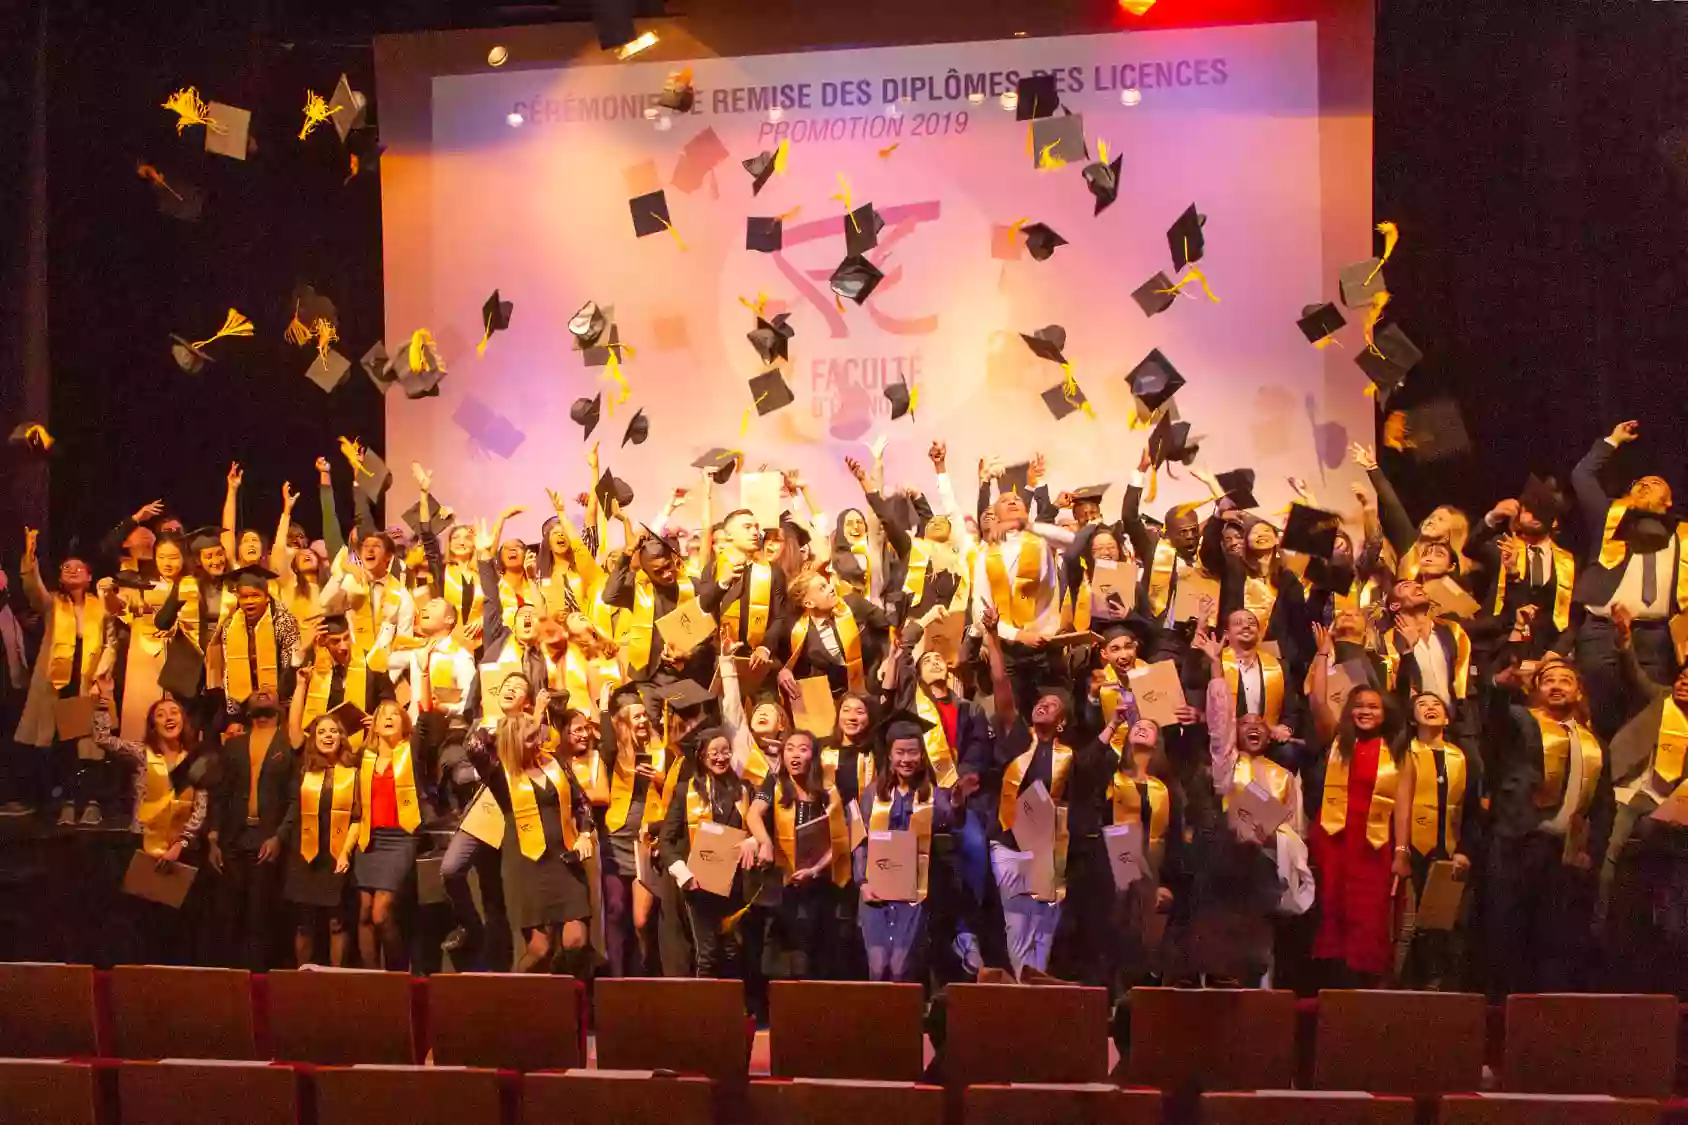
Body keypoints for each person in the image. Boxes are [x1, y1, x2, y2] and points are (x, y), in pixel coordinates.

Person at [1482, 656, 1613, 995]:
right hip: (1518, 843)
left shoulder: (1594, 742)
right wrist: (1500, 690)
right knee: (1506, 938)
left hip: (1564, 855)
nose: (1556, 685)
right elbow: (1495, 725)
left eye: (1565, 680)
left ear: (1579, 691)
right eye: (1548, 680)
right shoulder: (1521, 721)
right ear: (1537, 689)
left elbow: (1603, 807)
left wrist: (1590, 850)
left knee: (1554, 945)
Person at [463, 675, 596, 974]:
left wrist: (585, 833)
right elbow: (473, 745)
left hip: (564, 861)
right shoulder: (500, 775)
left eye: (537, 734)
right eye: (529, 735)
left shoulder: (555, 764)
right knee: (539, 948)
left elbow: (582, 802)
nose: (537, 740)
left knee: (575, 942)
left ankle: (570, 1009)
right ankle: (515, 1002)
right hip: (526, 865)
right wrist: (513, 717)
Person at [980, 607, 1081, 977]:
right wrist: (992, 635)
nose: (1043, 704)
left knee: (1045, 927)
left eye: (1052, 705)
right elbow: (1002, 687)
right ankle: (1026, 996)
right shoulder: (1017, 738)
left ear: (1063, 721)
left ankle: (1036, 991)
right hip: (1008, 845)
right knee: (1018, 924)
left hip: (1048, 848)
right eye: (1040, 702)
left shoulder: (1069, 757)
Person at [1571, 420, 1685, 734]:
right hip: (1601, 633)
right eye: (1640, 482)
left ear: (1669, 501)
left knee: (1648, 720)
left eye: (1655, 483)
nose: (1646, 484)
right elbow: (1582, 477)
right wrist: (1613, 440)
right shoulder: (1609, 516)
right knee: (1599, 714)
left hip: (1655, 638)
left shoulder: (1684, 537)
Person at [1308, 632, 1404, 988]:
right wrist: (1321, 656)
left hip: (1374, 844)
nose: (1365, 711)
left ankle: (1368, 992)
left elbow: (1404, 805)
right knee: (1334, 908)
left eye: (1373, 707)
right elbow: (1319, 702)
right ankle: (1334, 990)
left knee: (1369, 914)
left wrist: (1401, 849)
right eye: (1358, 706)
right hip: (1334, 839)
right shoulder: (1337, 742)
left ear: (1384, 713)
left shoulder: (1395, 751)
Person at [90, 686, 212, 963]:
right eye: (160, 714)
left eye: (174, 712)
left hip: (183, 851)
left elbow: (201, 807)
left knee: (181, 927)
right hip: (144, 845)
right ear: (153, 725)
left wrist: (181, 845)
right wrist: (103, 701)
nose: (168, 718)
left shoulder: (198, 760)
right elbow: (102, 738)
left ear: (184, 721)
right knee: (145, 924)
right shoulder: (141, 754)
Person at [13, 529, 118, 825]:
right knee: (62, 744)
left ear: (89, 576)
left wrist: (101, 674)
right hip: (58, 682)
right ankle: (68, 803)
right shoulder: (53, 605)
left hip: (90, 681)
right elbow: (34, 590)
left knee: (92, 743)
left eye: (78, 568)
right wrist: (29, 559)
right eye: (65, 568)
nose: (71, 571)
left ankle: (92, 803)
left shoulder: (100, 606)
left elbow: (112, 643)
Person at [1391, 692, 1483, 989]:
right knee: (1409, 923)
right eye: (1422, 704)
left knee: (1443, 923)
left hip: (1448, 848)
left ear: (1447, 717)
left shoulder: (1461, 757)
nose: (1430, 709)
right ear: (1411, 717)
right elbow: (1396, 806)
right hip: (1413, 847)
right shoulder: (1404, 753)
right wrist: (1400, 850)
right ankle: (1401, 986)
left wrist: (1465, 850)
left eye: (1436, 705)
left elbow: (1471, 810)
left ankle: (1437, 986)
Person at [856, 714, 955, 982]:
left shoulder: (932, 795)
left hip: (913, 892)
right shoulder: (872, 794)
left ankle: (902, 1023)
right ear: (889, 755)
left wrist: (955, 799)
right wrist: (862, 882)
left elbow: (948, 820)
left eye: (913, 752)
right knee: (878, 968)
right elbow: (860, 841)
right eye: (900, 752)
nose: (906, 759)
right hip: (876, 890)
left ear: (922, 756)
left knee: (900, 968)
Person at [746, 729, 849, 979]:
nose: (795, 754)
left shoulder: (828, 789)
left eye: (802, 749)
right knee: (781, 955)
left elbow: (839, 840)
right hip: (783, 882)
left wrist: (815, 871)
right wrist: (765, 842)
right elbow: (753, 814)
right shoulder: (776, 783)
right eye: (789, 748)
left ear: (813, 756)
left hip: (819, 882)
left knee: (815, 954)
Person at [660, 725, 760, 978]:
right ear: (701, 757)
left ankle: (736, 1010)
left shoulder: (744, 790)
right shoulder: (686, 791)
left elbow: (761, 830)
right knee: (707, 953)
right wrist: (684, 874)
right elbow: (666, 841)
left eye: (726, 751)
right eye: (713, 752)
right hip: (699, 885)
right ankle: (706, 1013)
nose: (721, 757)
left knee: (733, 950)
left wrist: (753, 841)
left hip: (736, 883)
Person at [209, 688, 293, 970]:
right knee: (230, 913)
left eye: (268, 692)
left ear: (279, 707)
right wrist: (213, 839)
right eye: (256, 692)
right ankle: (232, 980)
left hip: (268, 837)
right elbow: (219, 795)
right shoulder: (233, 745)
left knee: (261, 914)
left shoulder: (289, 742)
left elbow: (296, 798)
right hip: (233, 838)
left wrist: (279, 836)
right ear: (246, 708)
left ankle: (258, 980)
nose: (262, 693)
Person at [277, 713, 360, 967]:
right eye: (321, 732)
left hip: (336, 854)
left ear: (341, 737)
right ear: (314, 739)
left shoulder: (353, 772)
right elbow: (293, 810)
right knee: (304, 924)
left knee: (337, 922)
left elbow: (357, 818)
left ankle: (335, 980)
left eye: (333, 731)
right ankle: (302, 978)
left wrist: (346, 851)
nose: (327, 736)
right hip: (304, 853)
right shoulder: (303, 771)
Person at [599, 689, 673, 975]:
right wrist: (605, 710)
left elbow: (674, 793)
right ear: (622, 722)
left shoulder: (662, 751)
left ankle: (647, 976)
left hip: (646, 843)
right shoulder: (613, 752)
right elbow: (605, 742)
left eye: (644, 715)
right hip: (615, 839)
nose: (643, 720)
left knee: (642, 921)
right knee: (616, 911)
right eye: (636, 716)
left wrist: (657, 777)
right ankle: (617, 981)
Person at [349, 699, 426, 970]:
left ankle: (397, 974)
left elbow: (426, 730)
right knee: (364, 914)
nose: (389, 718)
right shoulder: (363, 758)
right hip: (369, 839)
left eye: (396, 715)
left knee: (381, 913)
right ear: (374, 724)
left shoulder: (410, 752)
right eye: (383, 715)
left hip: (400, 838)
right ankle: (372, 979)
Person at [780, 567, 894, 700]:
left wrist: (889, 658)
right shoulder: (800, 634)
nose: (831, 588)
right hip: (844, 699)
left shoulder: (853, 604)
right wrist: (784, 670)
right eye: (822, 588)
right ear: (809, 603)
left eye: (827, 583)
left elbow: (892, 626)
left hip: (881, 679)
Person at [216, 563, 300, 717]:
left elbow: (289, 665)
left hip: (279, 700)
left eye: (255, 595)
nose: (249, 601)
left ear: (267, 598)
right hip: (244, 701)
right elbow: (229, 668)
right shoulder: (230, 626)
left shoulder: (283, 621)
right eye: (244, 597)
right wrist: (233, 709)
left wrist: (276, 701)